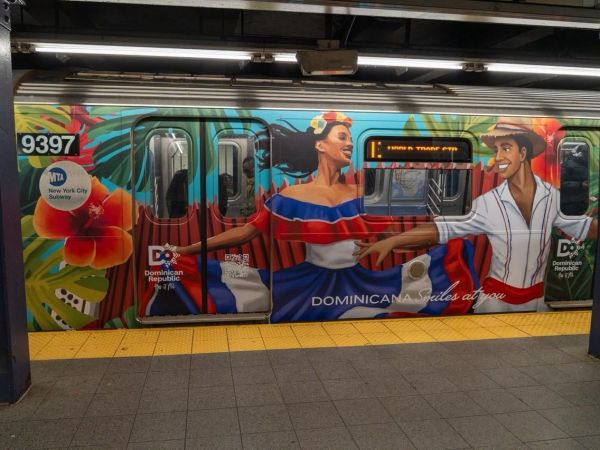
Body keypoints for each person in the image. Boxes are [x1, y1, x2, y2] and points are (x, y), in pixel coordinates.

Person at [163, 112, 479, 321]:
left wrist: (413, 239)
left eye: (350, 138)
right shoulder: (290, 197)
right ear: (320, 144)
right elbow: (246, 232)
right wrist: (187, 250)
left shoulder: (364, 193)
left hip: (356, 280)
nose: (349, 143)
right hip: (310, 282)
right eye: (342, 137)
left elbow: (390, 240)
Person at [356, 117, 598, 313]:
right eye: (496, 150)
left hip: (537, 300)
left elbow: (585, 227)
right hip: (496, 301)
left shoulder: (552, 198)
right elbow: (441, 229)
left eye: (506, 148)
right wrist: (393, 241)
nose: (498, 157)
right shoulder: (488, 203)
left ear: (523, 153)